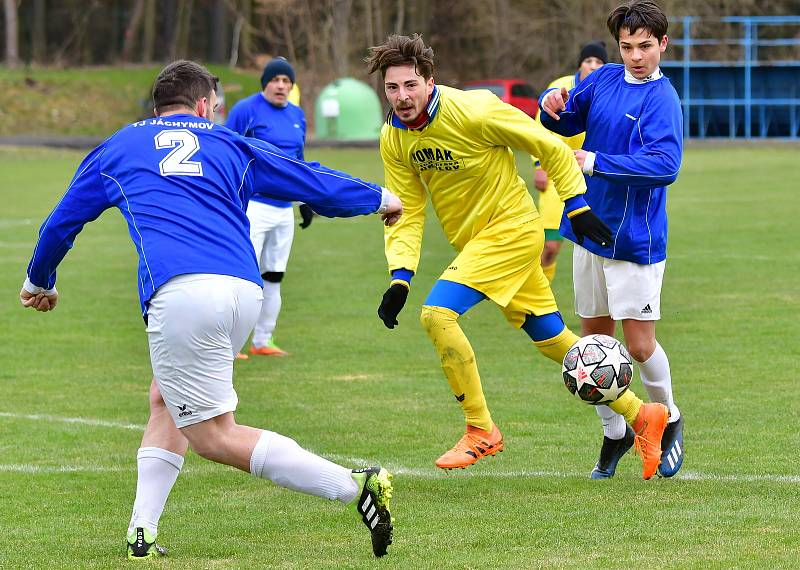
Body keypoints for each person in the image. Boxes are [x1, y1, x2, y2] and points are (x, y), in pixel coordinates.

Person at [19, 60, 402, 560]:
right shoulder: (229, 143)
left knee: (214, 437)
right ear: (203, 106)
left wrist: (40, 280)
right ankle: (141, 534)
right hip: (243, 292)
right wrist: (377, 197)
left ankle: (354, 486)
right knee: (165, 397)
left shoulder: (120, 145)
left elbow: (61, 223)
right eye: (216, 108)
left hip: (183, 296)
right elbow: (307, 179)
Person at [366, 34, 668, 478]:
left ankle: (479, 428)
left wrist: (576, 203)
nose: (402, 97)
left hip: (511, 231)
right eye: (393, 89)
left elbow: (547, 146)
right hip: (477, 243)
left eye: (411, 85)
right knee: (555, 341)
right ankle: (644, 416)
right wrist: (400, 275)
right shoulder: (394, 136)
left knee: (437, 315)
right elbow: (405, 209)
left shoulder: (474, 110)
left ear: (430, 81)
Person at [539, 0, 684, 479]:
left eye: (645, 46)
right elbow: (564, 122)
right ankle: (616, 432)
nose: (636, 56)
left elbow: (666, 166)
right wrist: (549, 105)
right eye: (627, 47)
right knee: (593, 346)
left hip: (635, 240)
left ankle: (668, 421)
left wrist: (595, 162)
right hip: (588, 230)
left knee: (639, 347)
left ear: (663, 44)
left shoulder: (663, 98)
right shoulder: (600, 79)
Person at [226, 57, 311, 358]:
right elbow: (228, 153)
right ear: (265, 83)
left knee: (274, 276)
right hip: (254, 207)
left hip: (283, 210)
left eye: (286, 81)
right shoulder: (245, 110)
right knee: (243, 276)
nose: (281, 85)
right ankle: (232, 344)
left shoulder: (297, 115)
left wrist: (305, 201)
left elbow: (298, 163)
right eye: (275, 80)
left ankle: (262, 340)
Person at [533, 41, 608, 284]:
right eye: (589, 61)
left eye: (599, 62)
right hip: (557, 176)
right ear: (580, 64)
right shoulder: (561, 87)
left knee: (595, 248)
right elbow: (539, 128)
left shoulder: (609, 90)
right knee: (550, 246)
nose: (593, 66)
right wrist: (539, 165)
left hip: (594, 176)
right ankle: (540, 298)